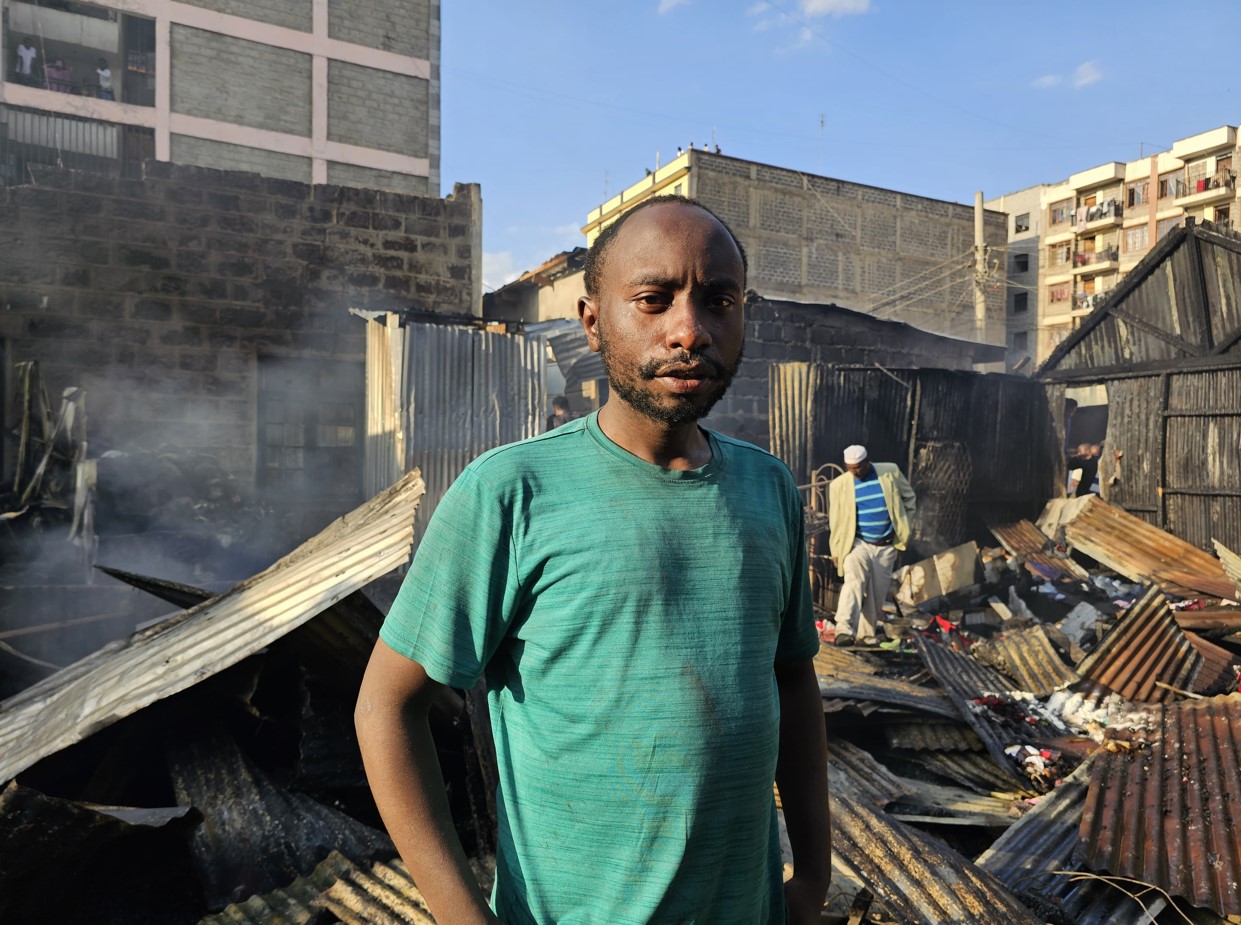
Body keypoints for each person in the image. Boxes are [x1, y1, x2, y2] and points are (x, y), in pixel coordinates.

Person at [356, 195, 831, 925]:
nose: (689, 330)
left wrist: (813, 873)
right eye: (652, 299)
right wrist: (459, 915)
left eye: (719, 301)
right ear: (591, 320)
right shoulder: (510, 492)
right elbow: (387, 704)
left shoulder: (767, 489)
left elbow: (792, 683)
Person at [827, 445, 916, 646]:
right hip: (857, 544)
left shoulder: (889, 472)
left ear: (867, 462)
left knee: (877, 593)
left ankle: (866, 635)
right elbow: (836, 521)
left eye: (857, 467)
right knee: (853, 582)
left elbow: (909, 499)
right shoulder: (839, 485)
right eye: (850, 468)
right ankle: (843, 630)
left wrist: (904, 528)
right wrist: (836, 549)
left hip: (885, 547)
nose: (854, 472)